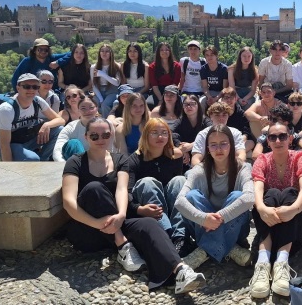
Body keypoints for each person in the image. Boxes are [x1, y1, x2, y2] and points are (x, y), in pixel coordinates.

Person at [61, 117, 206, 294]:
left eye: (105, 135)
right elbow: (69, 202)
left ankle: (180, 271)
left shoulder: (120, 160)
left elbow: (122, 190)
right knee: (94, 189)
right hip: (88, 230)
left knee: (150, 223)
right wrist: (98, 223)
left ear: (112, 135)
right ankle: (121, 244)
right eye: (94, 136)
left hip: (117, 221)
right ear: (86, 137)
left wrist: (121, 215)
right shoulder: (76, 162)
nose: (101, 139)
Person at [250, 122, 302, 298]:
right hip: (269, 219)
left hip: (298, 217)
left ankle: (281, 263)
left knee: (289, 192)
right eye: (273, 137)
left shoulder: (299, 157)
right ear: (268, 142)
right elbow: (257, 189)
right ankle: (263, 263)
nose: (278, 140)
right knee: (270, 193)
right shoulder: (262, 160)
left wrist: (293, 209)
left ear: (290, 138)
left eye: (282, 136)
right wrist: (262, 208)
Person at [175, 124, 254, 269]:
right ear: (207, 149)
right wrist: (204, 218)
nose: (218, 149)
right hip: (204, 224)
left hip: (235, 226)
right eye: (213, 145)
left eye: (223, 144)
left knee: (238, 196)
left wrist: (219, 218)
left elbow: (249, 198)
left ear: (231, 145)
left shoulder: (242, 167)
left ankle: (205, 250)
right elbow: (179, 201)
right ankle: (230, 248)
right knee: (192, 196)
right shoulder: (199, 170)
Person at [127, 118, 186, 250]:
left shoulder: (175, 155)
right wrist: (138, 208)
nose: (160, 136)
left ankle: (180, 236)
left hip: (169, 202)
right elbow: (126, 192)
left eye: (164, 133)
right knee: (147, 182)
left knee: (180, 180)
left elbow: (175, 190)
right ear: (146, 135)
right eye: (154, 132)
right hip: (147, 205)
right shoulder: (134, 160)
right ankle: (165, 233)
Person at [0, 73, 64, 161]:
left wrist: (47, 125)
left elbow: (60, 120)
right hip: (10, 144)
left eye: (35, 87)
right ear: (18, 88)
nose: (31, 90)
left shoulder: (37, 101)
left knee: (60, 129)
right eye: (26, 86)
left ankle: (42, 161)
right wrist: (9, 170)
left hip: (27, 139)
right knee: (32, 159)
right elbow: (4, 145)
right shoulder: (7, 110)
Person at [53, 96, 113, 162]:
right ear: (78, 110)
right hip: (79, 165)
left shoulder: (107, 125)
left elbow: (113, 147)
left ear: (97, 109)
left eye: (91, 108)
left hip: (104, 161)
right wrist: (65, 165)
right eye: (83, 108)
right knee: (73, 143)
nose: (87, 111)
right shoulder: (71, 127)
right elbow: (58, 149)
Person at [172, 95, 212, 168]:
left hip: (202, 154)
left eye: (192, 104)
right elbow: (172, 134)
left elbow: (211, 134)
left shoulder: (206, 121)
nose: (189, 106)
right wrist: (183, 149)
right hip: (185, 157)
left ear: (198, 106)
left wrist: (191, 146)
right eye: (186, 104)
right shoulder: (180, 121)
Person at [220, 87, 256, 153]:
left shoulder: (241, 114)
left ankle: (233, 155)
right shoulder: (218, 114)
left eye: (231, 97)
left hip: (238, 141)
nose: (229, 100)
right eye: (226, 98)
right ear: (221, 100)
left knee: (250, 143)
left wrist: (240, 139)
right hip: (223, 141)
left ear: (236, 99)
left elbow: (246, 132)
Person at [91, 44, 122, 117]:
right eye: (102, 51)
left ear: (111, 53)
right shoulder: (93, 67)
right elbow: (93, 85)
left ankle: (107, 124)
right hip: (98, 90)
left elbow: (117, 83)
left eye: (107, 51)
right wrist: (101, 99)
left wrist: (102, 74)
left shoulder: (116, 66)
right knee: (92, 104)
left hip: (112, 91)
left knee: (105, 105)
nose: (104, 53)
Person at [149, 42, 181, 107]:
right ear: (158, 52)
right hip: (158, 92)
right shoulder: (152, 67)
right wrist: (161, 99)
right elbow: (154, 86)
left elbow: (175, 84)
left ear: (170, 52)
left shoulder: (177, 66)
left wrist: (168, 97)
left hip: (172, 91)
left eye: (167, 49)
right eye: (162, 50)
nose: (164, 51)